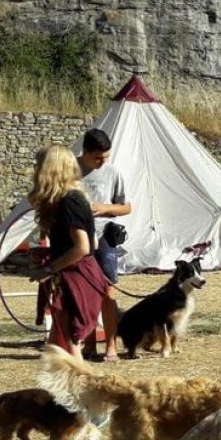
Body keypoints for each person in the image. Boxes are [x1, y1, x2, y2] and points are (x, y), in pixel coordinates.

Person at [29, 145, 109, 356]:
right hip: (71, 273)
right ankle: (57, 387)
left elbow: (82, 247)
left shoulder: (70, 201)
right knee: (56, 343)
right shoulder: (65, 200)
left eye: (39, 166)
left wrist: (49, 269)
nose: (35, 171)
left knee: (71, 342)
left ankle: (80, 387)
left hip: (78, 275)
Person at [77, 128, 132, 362]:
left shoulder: (112, 173)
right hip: (77, 237)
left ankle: (110, 346)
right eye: (97, 157)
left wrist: (105, 208)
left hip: (105, 238)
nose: (102, 162)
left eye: (105, 157)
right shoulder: (69, 171)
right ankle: (89, 345)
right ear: (86, 152)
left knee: (107, 292)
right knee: (84, 293)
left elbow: (126, 207)